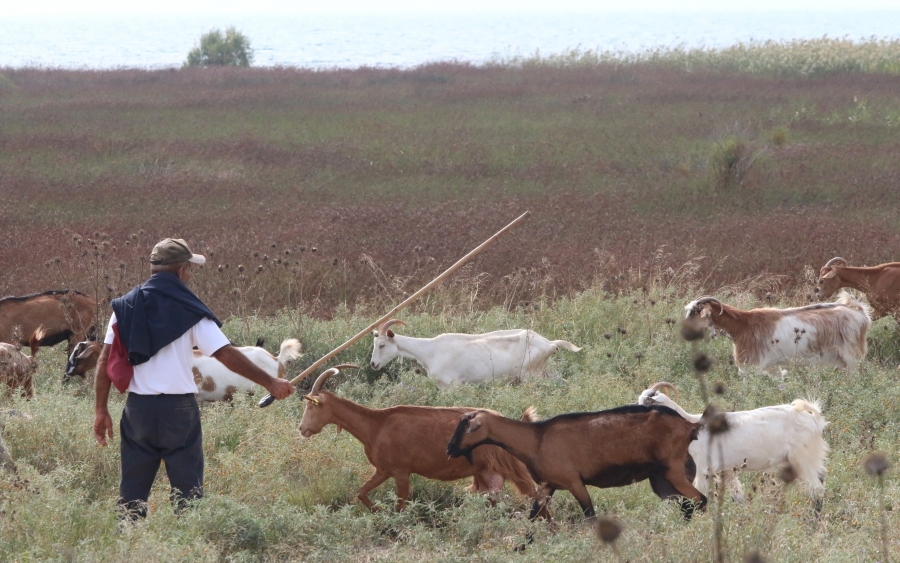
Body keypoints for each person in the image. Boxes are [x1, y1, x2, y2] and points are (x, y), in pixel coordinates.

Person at [92, 238, 294, 519]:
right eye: (191, 269)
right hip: (179, 411)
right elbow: (224, 353)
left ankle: (128, 546)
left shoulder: (124, 307)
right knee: (189, 497)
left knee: (131, 496)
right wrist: (270, 382)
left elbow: (104, 360)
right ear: (182, 271)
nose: (191, 274)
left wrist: (101, 410)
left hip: (138, 410)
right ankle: (189, 544)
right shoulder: (190, 309)